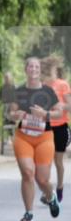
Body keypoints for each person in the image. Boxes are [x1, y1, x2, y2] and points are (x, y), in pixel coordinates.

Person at [6, 57, 62, 221]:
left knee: (42, 179)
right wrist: (16, 115)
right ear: (26, 69)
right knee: (28, 173)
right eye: (30, 66)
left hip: (44, 137)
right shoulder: (19, 91)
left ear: (40, 70)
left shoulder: (48, 92)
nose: (33, 69)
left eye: (36, 67)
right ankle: (28, 212)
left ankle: (50, 196)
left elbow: (59, 113)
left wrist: (45, 114)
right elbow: (11, 113)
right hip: (24, 137)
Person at [41, 56, 69, 204]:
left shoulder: (63, 85)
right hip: (46, 127)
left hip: (61, 127)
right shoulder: (42, 86)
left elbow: (70, 106)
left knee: (58, 161)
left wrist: (60, 106)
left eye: (50, 70)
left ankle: (59, 188)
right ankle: (48, 192)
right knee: (45, 161)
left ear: (55, 70)